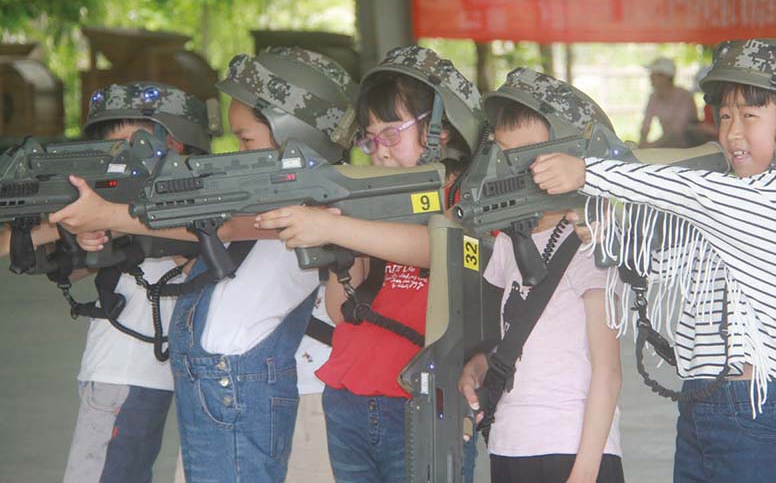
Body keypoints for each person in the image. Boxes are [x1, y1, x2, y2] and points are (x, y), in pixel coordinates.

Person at [531, 39, 776, 483]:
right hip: (703, 406)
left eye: (749, 116)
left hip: (754, 408)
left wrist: (589, 172)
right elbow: (668, 262)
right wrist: (609, 234)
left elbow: (696, 194)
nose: (732, 132)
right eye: (725, 116)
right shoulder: (737, 208)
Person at [52, 47, 356, 483]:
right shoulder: (270, 190)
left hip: (265, 387)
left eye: (246, 140)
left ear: (294, 132)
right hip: (216, 384)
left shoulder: (315, 199)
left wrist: (110, 215)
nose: (238, 151)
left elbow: (227, 226)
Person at [255, 45, 484, 483]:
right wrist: (340, 237)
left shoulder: (468, 197)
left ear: (441, 131)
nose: (379, 151)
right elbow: (341, 310)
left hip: (421, 400)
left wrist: (335, 227)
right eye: (370, 138)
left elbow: (439, 248)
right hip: (349, 396)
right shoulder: (374, 200)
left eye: (392, 134)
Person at [456, 68, 623, 483]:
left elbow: (608, 372)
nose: (514, 170)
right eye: (505, 155)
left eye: (529, 157)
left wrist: (586, 470)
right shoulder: (509, 240)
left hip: (571, 449)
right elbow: (512, 335)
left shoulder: (590, 239)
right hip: (510, 445)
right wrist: (480, 364)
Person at [59, 82, 215, 483]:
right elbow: (71, 269)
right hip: (123, 365)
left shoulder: (211, 194)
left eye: (131, 144)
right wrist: (91, 232)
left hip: (201, 368)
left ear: (177, 143)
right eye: (110, 148)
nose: (118, 157)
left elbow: (214, 249)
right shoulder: (108, 200)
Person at [640, 56, 698, 148]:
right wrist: (642, 144)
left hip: (690, 146)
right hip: (669, 145)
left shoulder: (684, 96)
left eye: (656, 74)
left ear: (667, 77)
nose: (651, 76)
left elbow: (677, 129)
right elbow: (646, 125)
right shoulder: (654, 97)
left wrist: (652, 145)